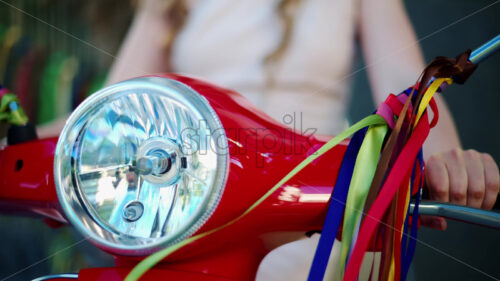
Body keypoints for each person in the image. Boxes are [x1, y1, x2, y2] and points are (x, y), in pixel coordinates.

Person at [38, 0, 500, 280]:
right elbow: (109, 110)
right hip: (197, 213)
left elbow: (407, 84)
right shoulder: (168, 3)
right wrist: (14, 138)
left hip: (315, 210)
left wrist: (446, 159)